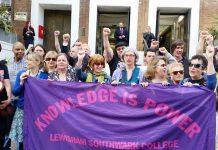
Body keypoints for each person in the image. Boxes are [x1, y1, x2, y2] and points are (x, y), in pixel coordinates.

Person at [9, 52, 48, 150]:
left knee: (35, 136)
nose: (27, 61)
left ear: (38, 62)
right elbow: (15, 92)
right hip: (23, 109)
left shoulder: (44, 76)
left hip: (37, 111)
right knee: (22, 138)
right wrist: (21, 82)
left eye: (30, 60)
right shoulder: (21, 73)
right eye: (27, 59)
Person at [0, 61, 12, 150]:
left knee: (1, 131)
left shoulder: (3, 66)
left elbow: (7, 84)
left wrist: (9, 99)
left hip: (2, 104)